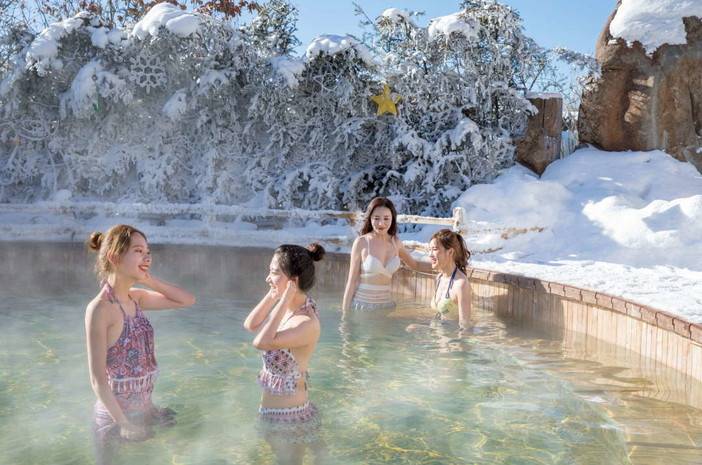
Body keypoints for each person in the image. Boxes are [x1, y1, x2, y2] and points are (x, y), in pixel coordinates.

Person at [84, 224, 196, 464]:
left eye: (148, 252)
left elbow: (187, 300)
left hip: (144, 414)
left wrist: (149, 280)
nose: (147, 257)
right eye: (138, 251)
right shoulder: (100, 309)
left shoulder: (136, 298)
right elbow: (98, 380)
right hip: (114, 422)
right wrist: (123, 424)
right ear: (114, 257)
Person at [244, 243, 325, 464]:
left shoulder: (306, 322)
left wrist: (284, 298)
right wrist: (274, 296)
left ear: (293, 281)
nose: (267, 278)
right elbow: (250, 324)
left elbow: (261, 342)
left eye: (273, 272)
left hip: (290, 418)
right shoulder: (288, 309)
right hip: (273, 415)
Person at [341, 197, 430, 314]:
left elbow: (415, 265)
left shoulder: (396, 243)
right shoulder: (362, 242)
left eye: (386, 218)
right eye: (376, 218)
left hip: (386, 308)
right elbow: (351, 281)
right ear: (370, 218)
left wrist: (446, 266)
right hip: (363, 306)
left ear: (392, 219)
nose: (381, 223)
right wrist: (344, 315)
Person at [428, 229, 472, 329]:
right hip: (438, 331)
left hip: (451, 336)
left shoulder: (461, 284)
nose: (430, 254)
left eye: (434, 249)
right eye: (429, 250)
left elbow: (465, 326)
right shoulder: (439, 278)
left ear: (450, 252)